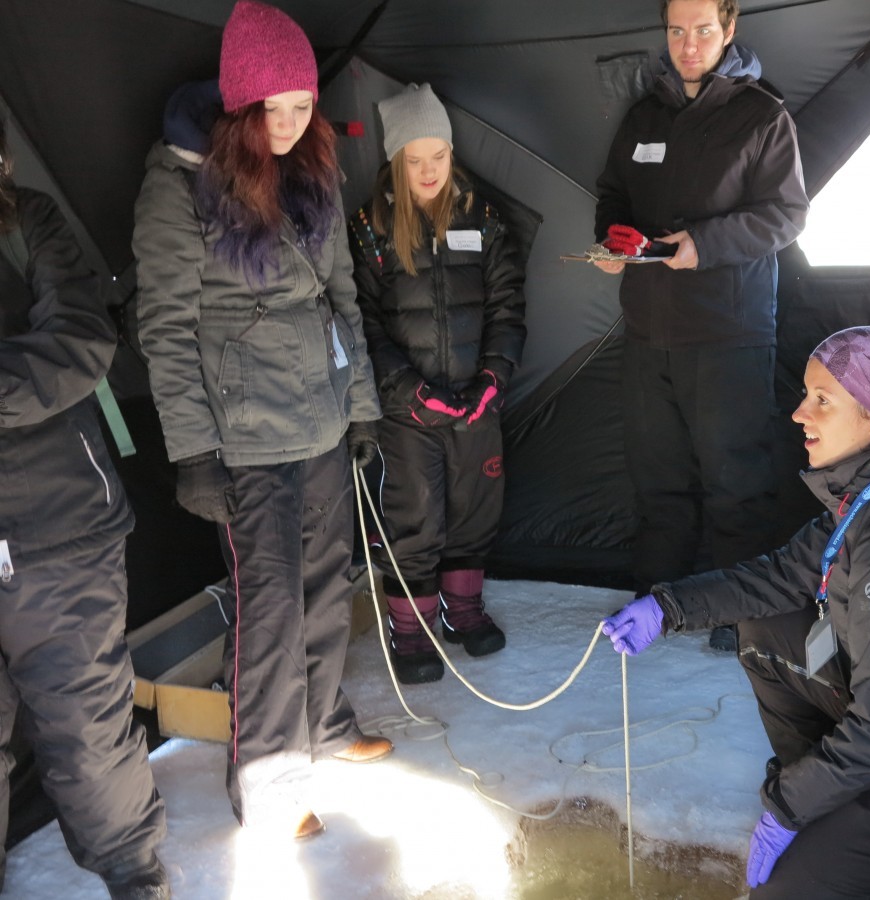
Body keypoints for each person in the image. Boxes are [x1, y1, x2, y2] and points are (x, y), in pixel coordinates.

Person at [602, 323, 870, 899]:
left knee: (782, 892)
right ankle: (833, 804)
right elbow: (781, 576)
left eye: (822, 400)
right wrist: (668, 607)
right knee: (767, 628)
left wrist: (784, 808)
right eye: (807, 395)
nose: (799, 414)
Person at [132, 0, 392, 840]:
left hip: (321, 416)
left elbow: (341, 296)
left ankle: (324, 724)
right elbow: (165, 329)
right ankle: (271, 780)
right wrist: (194, 453)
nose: (287, 123)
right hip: (244, 436)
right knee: (270, 612)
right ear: (239, 105)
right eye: (271, 108)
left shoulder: (314, 169)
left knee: (327, 589)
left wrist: (361, 409)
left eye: (302, 105)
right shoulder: (179, 184)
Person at [592, 0, 809, 651]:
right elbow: (612, 194)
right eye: (677, 31)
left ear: (730, 29)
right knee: (657, 479)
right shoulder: (644, 115)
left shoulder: (761, 115)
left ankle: (740, 614)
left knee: (736, 483)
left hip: (727, 330)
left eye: (703, 31)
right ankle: (656, 603)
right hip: (648, 327)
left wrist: (705, 244)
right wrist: (611, 240)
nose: (688, 45)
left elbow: (787, 215)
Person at [0, 117, 170, 898]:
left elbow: (79, 342)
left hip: (61, 527)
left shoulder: (27, 220)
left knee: (88, 725)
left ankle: (133, 870)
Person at [349, 84, 526, 685]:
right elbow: (362, 325)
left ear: (452, 154)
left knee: (475, 508)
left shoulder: (485, 218)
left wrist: (492, 382)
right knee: (415, 515)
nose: (428, 171)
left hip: (476, 404)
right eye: (414, 160)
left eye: (439, 156)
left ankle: (463, 611)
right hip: (409, 412)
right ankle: (411, 627)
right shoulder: (369, 229)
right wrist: (410, 392)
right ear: (395, 162)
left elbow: (507, 307)